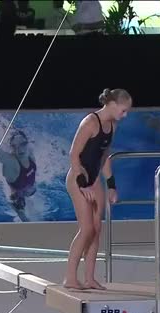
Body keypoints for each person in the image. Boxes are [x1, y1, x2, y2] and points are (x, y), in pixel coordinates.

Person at [63, 88, 132, 290]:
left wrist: (111, 186)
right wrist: (82, 185)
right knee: (87, 229)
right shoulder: (90, 122)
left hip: (94, 180)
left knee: (97, 230)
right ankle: (70, 278)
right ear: (112, 105)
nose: (125, 115)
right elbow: (74, 155)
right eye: (123, 110)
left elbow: (104, 158)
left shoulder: (112, 126)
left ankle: (90, 278)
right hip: (78, 178)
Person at [0, 115, 36, 222]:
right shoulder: (12, 163)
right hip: (16, 191)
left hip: (26, 185)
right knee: (23, 213)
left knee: (31, 191)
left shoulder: (30, 153)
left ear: (27, 143)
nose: (20, 149)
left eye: (22, 144)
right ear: (12, 148)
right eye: (15, 146)